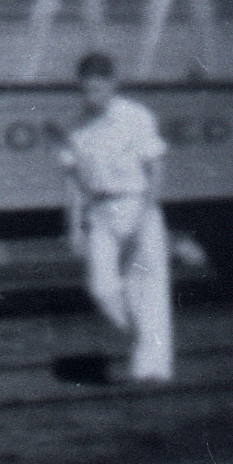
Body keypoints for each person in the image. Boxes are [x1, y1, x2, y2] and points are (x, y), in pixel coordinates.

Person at [62, 50, 175, 384]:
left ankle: (151, 368)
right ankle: (143, 344)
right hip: (100, 212)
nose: (92, 95)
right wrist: (74, 227)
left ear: (112, 84)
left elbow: (156, 170)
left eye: (99, 88)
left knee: (148, 290)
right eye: (86, 89)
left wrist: (143, 218)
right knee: (102, 288)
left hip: (137, 206)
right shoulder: (78, 127)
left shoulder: (135, 117)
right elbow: (73, 183)